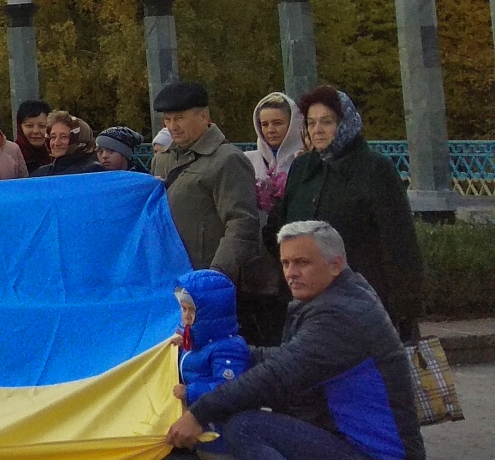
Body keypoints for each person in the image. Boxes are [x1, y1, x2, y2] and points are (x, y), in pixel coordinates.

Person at [170, 221, 425, 460]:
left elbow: (276, 377)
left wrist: (198, 414)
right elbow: (285, 358)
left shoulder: (341, 315)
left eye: (303, 263)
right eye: (286, 263)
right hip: (351, 448)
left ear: (335, 265)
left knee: (246, 427)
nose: (291, 273)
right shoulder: (336, 297)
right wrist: (221, 352)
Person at [264, 87, 424, 340]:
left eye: (327, 122)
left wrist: (405, 309)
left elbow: (399, 242)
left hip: (362, 304)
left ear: (346, 123)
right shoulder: (303, 168)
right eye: (311, 123)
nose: (317, 130)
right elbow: (281, 229)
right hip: (307, 304)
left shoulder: (375, 169)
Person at [150, 81, 274, 341]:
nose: (172, 126)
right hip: (169, 283)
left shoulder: (227, 159)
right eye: (167, 120)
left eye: (180, 118)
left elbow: (241, 223)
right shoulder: (163, 159)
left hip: (207, 285)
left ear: (204, 117)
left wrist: (215, 279)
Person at [173, 269, 252, 460]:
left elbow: (229, 388)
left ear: (211, 313)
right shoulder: (199, 343)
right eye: (183, 309)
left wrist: (189, 392)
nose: (186, 316)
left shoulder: (229, 348)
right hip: (207, 433)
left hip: (223, 438)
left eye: (192, 310)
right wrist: (183, 344)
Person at [250, 92, 305, 215]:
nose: (270, 130)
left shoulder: (305, 160)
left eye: (277, 123)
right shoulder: (248, 161)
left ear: (292, 124)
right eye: (265, 124)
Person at [33, 112, 101, 177]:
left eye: (64, 137)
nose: (56, 143)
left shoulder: (92, 171)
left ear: (80, 138)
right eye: (53, 137)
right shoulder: (40, 174)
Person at [13, 98, 54, 172]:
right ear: (20, 127)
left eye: (42, 126)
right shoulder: (12, 158)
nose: (36, 131)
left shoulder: (58, 156)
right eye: (29, 126)